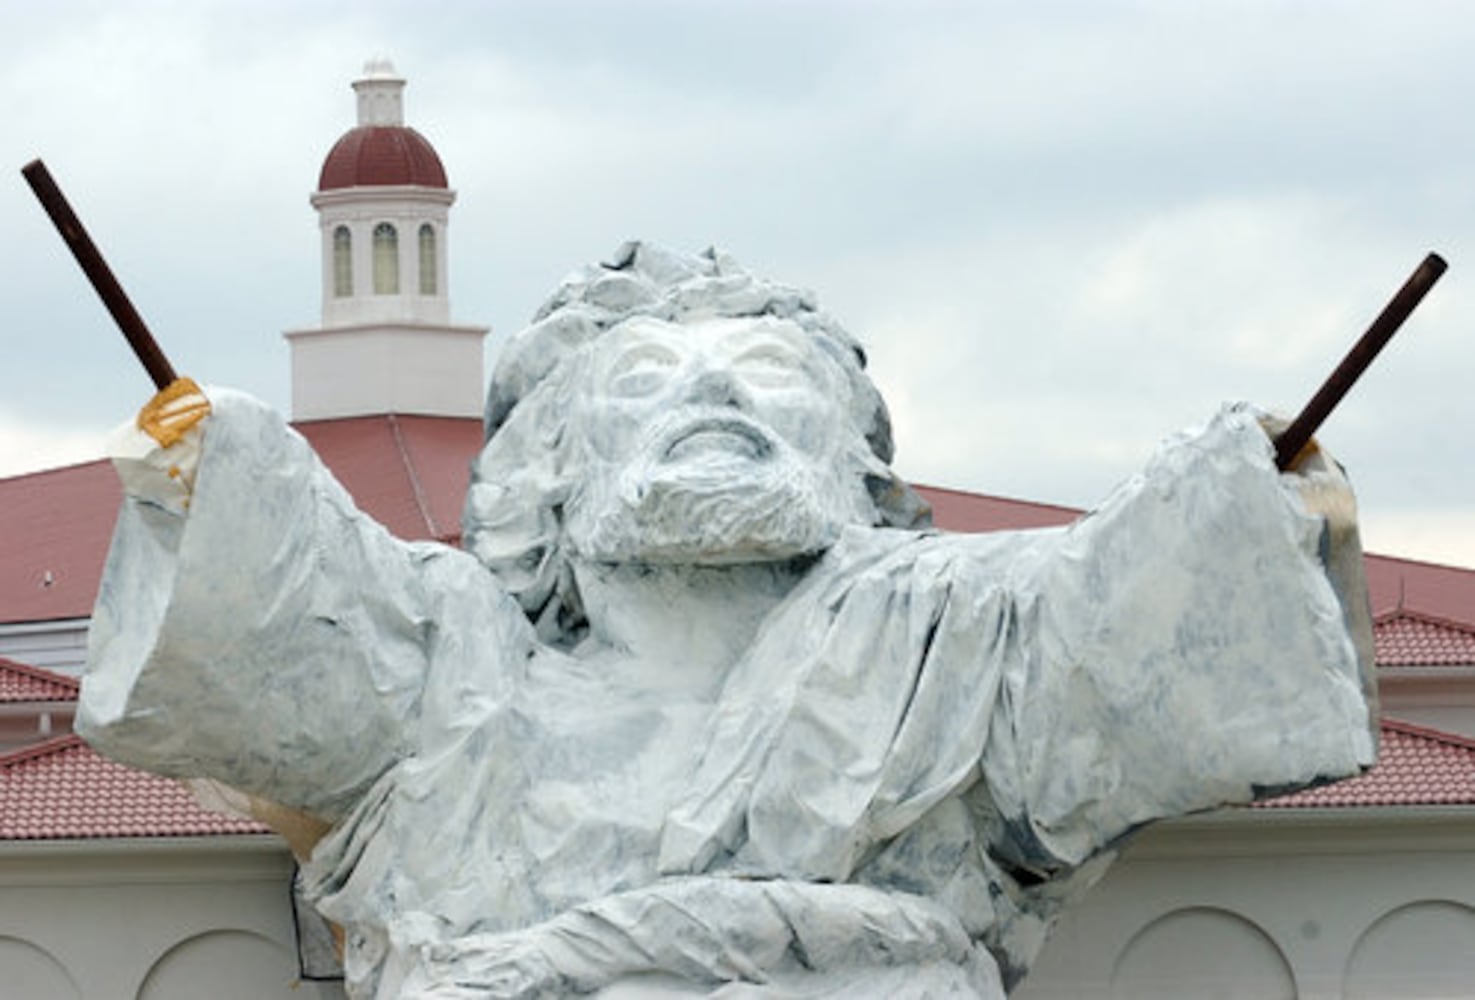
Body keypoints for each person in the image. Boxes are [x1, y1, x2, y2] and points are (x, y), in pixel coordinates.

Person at [79, 242, 1376, 999]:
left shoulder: (958, 647)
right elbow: (293, 602)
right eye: (642, 380)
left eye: (767, 374)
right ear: (551, 467)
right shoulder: (444, 682)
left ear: (854, 459)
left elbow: (1122, 606)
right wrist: (207, 472)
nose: (711, 392)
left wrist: (1246, 499)